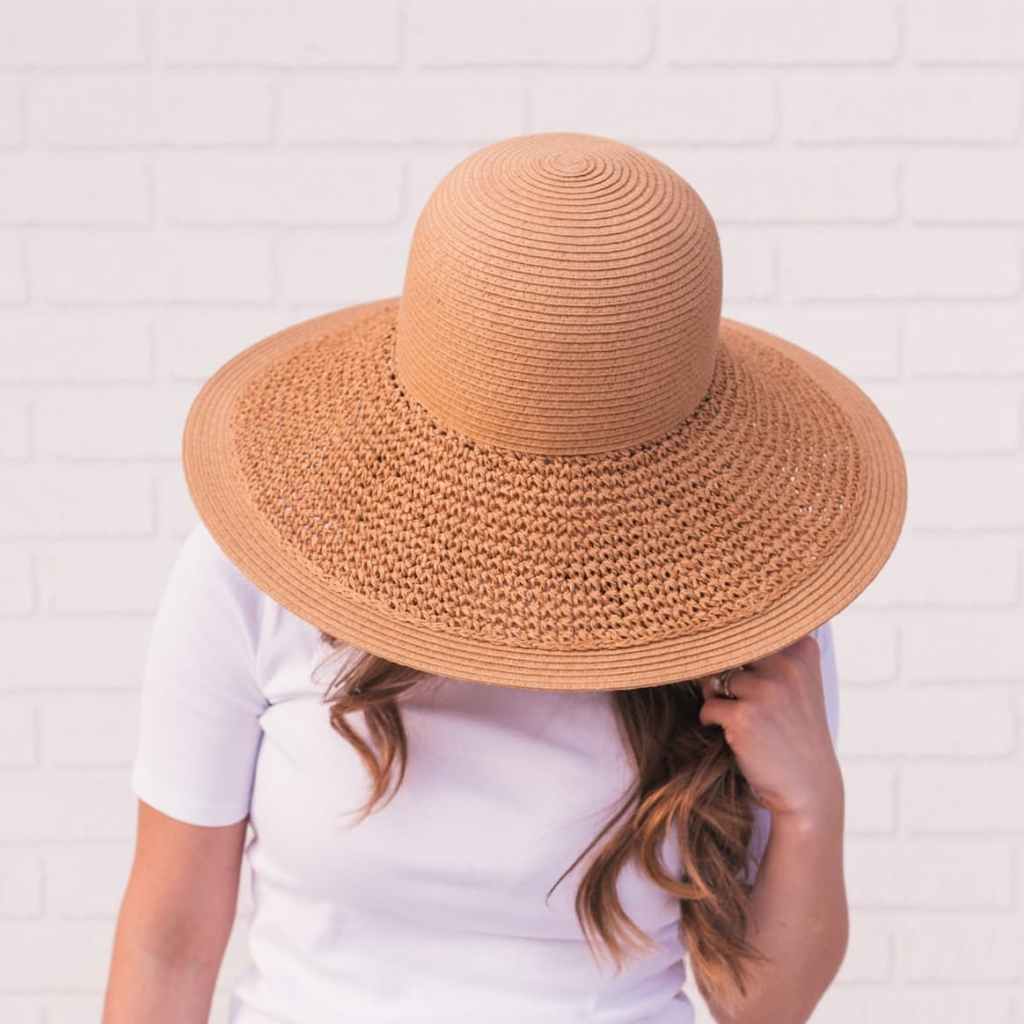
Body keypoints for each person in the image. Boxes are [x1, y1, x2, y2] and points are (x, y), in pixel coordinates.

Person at [103, 131, 907, 1024]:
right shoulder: (256, 575)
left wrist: (808, 801)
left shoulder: (750, 609)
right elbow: (168, 943)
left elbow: (761, 1009)